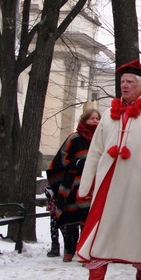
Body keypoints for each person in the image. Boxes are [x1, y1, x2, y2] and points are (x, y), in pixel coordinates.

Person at [76, 59, 141, 280]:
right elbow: (95, 151)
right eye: (122, 82)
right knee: (99, 236)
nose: (124, 86)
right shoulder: (108, 115)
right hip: (110, 187)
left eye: (130, 82)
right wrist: (86, 186)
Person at [46, 107, 101, 261]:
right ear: (84, 120)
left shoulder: (102, 138)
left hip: (93, 184)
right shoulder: (74, 138)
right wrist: (76, 163)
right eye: (92, 118)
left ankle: (85, 251)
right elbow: (62, 158)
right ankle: (69, 250)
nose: (95, 121)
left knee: (87, 218)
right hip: (72, 184)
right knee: (71, 218)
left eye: (97, 119)